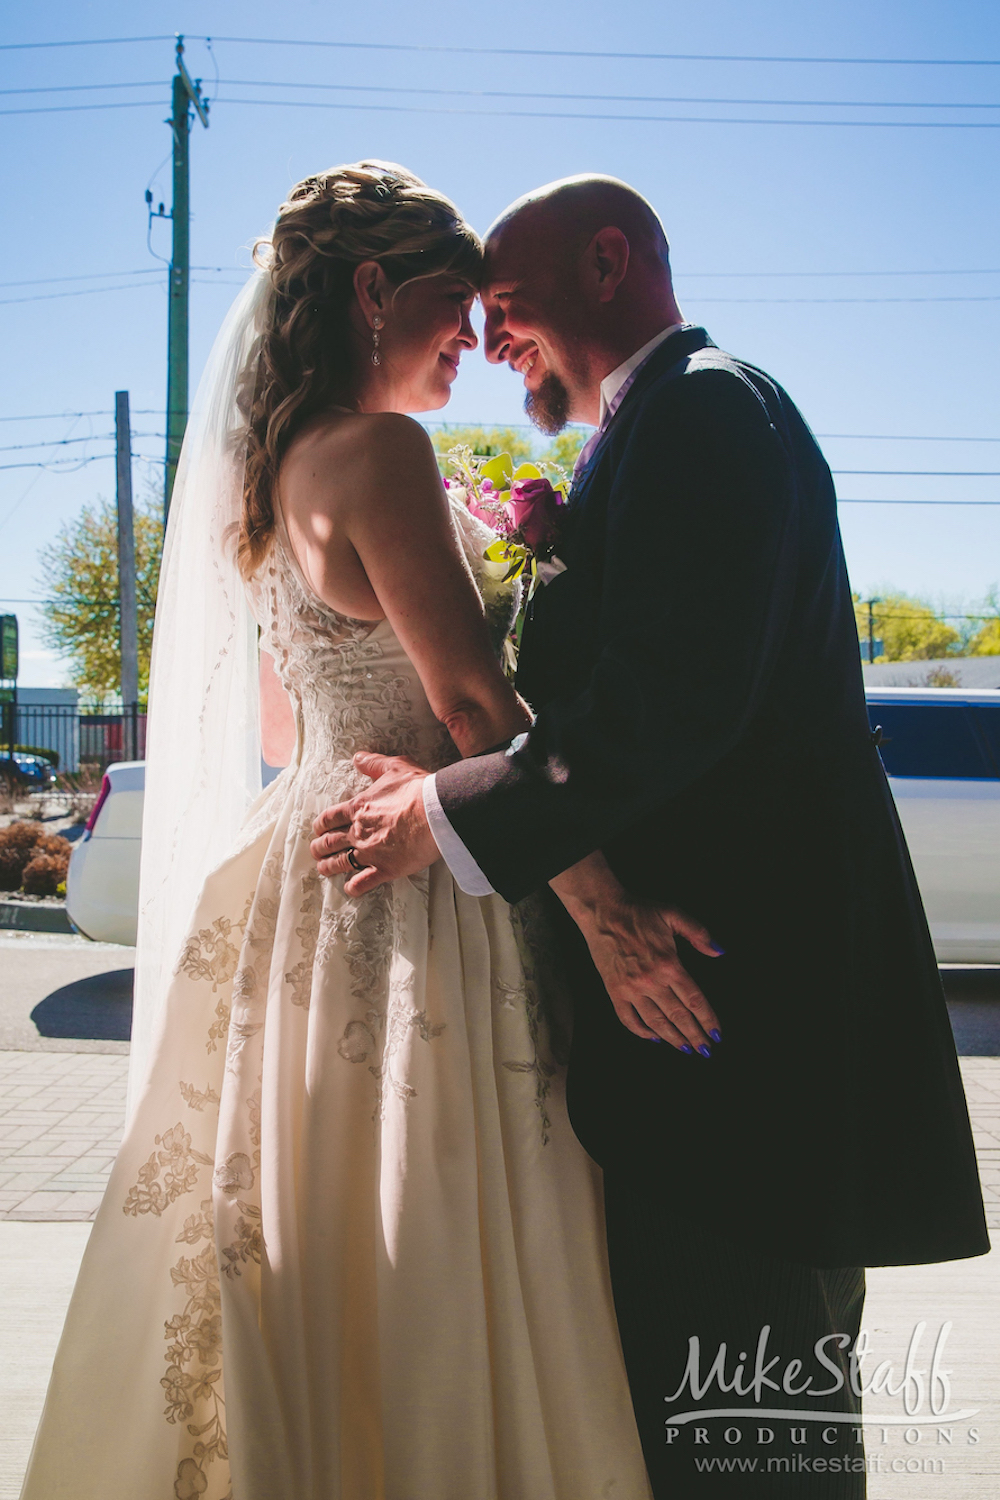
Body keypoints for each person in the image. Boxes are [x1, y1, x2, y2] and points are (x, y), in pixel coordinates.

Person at [310, 175, 990, 1497]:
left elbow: (662, 711)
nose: (494, 344)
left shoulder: (706, 412)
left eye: (504, 310)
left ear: (608, 263)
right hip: (701, 1051)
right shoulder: (662, 425)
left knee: (751, 1444)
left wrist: (436, 812)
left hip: (740, 1038)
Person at [19, 163, 659, 1500]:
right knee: (434, 1221)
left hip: (305, 868)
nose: (471, 342)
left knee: (320, 1224)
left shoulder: (272, 477)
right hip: (416, 875)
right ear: (372, 289)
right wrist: (606, 917)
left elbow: (285, 711)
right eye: (448, 303)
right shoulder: (381, 454)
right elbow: (476, 700)